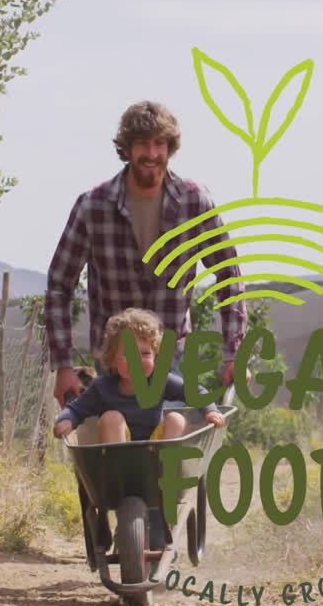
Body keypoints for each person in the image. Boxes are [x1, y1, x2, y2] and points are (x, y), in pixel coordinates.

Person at [43, 101, 248, 408]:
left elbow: (229, 277)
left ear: (170, 147)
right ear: (126, 149)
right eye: (141, 144)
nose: (151, 154)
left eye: (159, 144)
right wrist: (62, 366)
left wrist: (234, 353)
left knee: (169, 442)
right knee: (117, 443)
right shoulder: (94, 206)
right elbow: (60, 285)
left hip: (171, 357)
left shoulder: (195, 203)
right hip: (114, 362)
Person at [51, 309, 226, 444]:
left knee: (176, 419)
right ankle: (118, 476)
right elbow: (76, 408)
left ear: (156, 357)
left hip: (154, 450)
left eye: (145, 354)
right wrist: (66, 420)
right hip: (116, 450)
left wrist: (210, 410)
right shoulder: (102, 387)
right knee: (111, 417)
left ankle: (165, 472)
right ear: (112, 359)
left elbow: (196, 391)